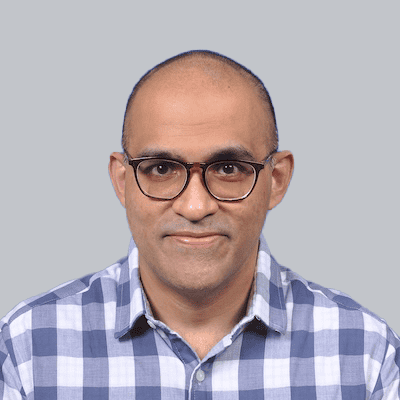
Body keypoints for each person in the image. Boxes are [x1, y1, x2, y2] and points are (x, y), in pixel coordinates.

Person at [0, 50, 399, 400]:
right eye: (161, 168)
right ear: (122, 182)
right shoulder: (28, 349)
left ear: (276, 181)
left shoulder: (365, 354)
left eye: (228, 168)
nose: (195, 206)